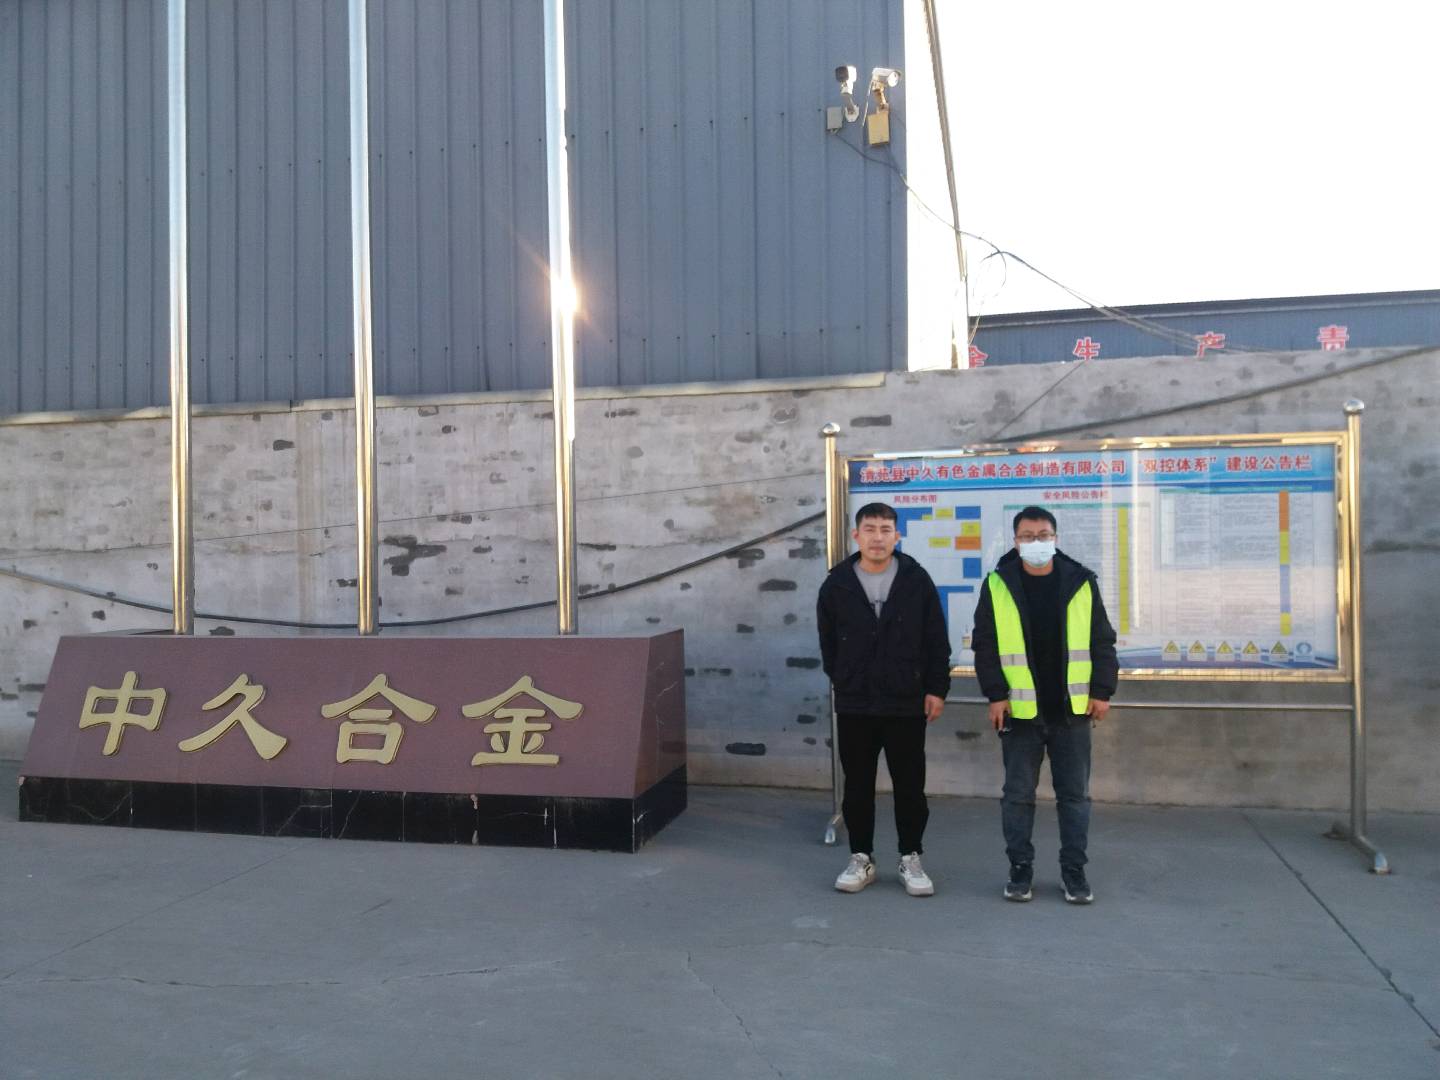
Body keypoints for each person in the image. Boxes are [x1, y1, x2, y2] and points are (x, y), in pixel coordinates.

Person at [970, 506, 1118, 905]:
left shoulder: (1081, 582)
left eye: (1043, 535)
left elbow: (1102, 641)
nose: (1036, 542)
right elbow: (985, 645)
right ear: (1015, 541)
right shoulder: (998, 583)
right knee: (1017, 796)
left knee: (1075, 797)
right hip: (1020, 714)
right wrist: (995, 695)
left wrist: (1102, 691)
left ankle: (1074, 872)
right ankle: (1020, 869)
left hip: (1072, 712)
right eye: (1027, 536)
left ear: (1055, 538)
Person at [817, 502, 951, 896]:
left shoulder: (916, 580)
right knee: (857, 785)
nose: (878, 537)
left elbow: (935, 640)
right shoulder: (837, 584)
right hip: (856, 703)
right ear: (856, 535)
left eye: (886, 529)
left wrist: (936, 689)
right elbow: (828, 642)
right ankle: (861, 857)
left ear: (897, 536)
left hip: (905, 701)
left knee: (910, 786)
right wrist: (844, 678)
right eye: (870, 529)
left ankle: (911, 856)